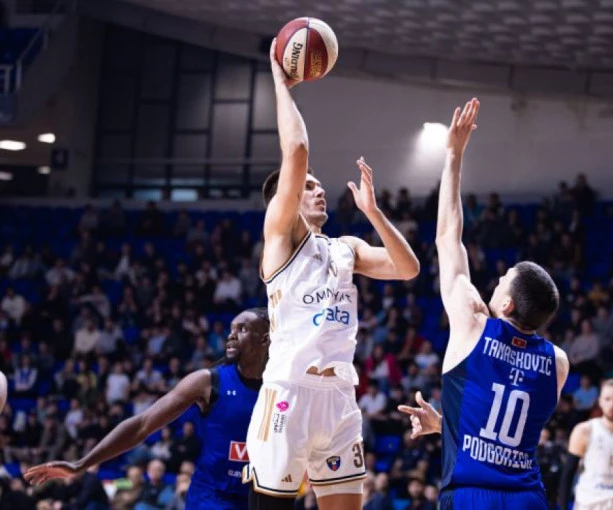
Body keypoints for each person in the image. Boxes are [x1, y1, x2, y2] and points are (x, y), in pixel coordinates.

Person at [244, 40, 419, 510]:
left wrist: (374, 212)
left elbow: (408, 268)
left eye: (320, 186)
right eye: (307, 187)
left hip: (339, 396)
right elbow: (297, 150)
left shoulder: (346, 248)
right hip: (289, 391)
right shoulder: (280, 239)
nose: (318, 191)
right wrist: (281, 81)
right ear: (283, 200)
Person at [401, 98, 568, 509]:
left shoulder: (473, 324)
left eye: (503, 279)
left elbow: (447, 238)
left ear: (507, 304)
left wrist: (453, 155)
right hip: (527, 498)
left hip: (470, 494)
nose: (495, 281)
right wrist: (447, 426)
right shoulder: (558, 362)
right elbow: (505, 427)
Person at [24, 308, 270, 509]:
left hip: (262, 497)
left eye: (242, 329)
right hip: (212, 497)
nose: (231, 335)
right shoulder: (208, 381)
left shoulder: (283, 388)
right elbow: (143, 424)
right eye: (231, 329)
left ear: (265, 339)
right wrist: (82, 464)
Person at [559, 379, 613, 510]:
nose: (612, 404)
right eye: (607, 399)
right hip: (589, 503)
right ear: (600, 401)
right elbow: (568, 474)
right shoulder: (584, 430)